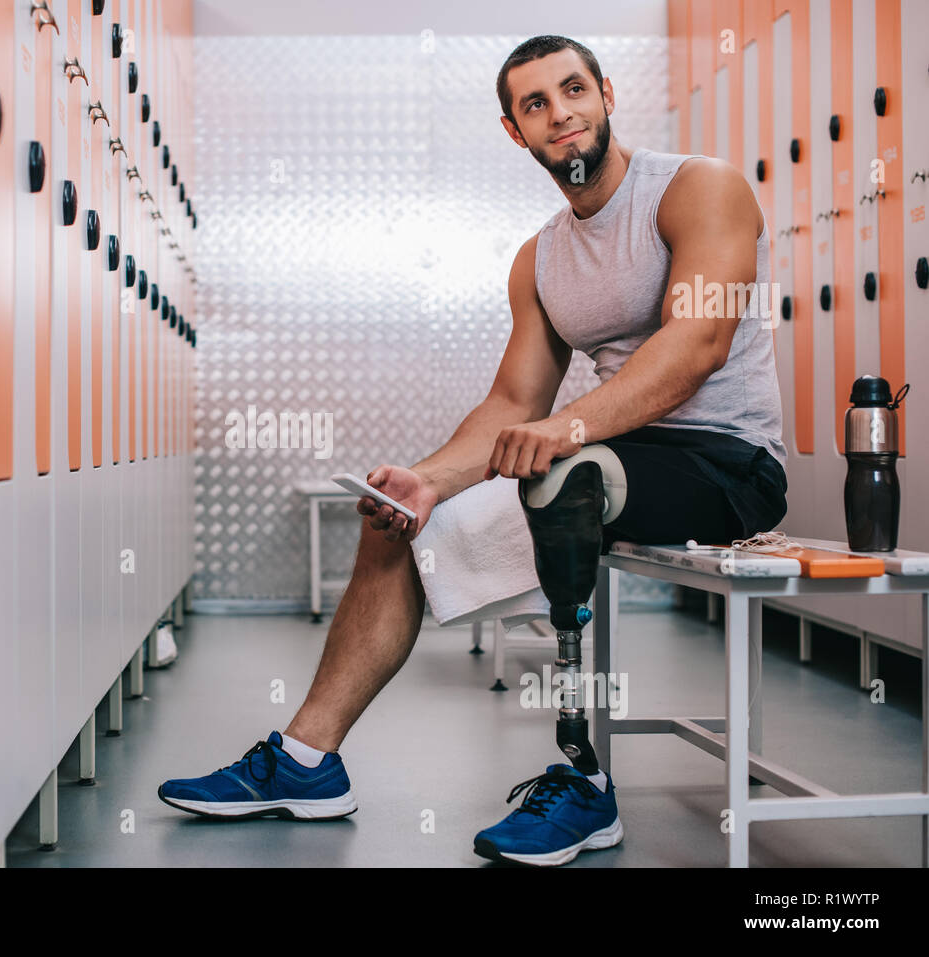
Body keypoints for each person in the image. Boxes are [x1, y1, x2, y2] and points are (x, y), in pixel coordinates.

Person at [157, 34, 788, 866]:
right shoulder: (541, 258)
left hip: (726, 462)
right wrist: (425, 481)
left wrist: (567, 431)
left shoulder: (698, 189)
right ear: (513, 129)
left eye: (573, 91)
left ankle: (583, 776)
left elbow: (699, 342)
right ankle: (307, 760)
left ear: (605, 93)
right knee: (397, 518)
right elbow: (512, 404)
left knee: (566, 479)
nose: (561, 114)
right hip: (609, 457)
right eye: (536, 104)